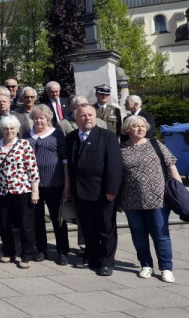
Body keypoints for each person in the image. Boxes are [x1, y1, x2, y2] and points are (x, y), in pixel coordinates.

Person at [119, 114, 181, 283]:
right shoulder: (121, 149)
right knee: (138, 235)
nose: (141, 129)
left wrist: (179, 188)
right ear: (127, 129)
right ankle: (146, 265)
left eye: (143, 126)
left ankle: (166, 268)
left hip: (158, 199)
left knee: (161, 235)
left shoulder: (155, 144)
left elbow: (171, 165)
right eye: (136, 126)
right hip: (132, 200)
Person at [66, 104, 123, 276]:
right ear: (76, 119)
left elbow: (115, 165)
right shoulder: (71, 137)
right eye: (83, 115)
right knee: (88, 228)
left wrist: (112, 190)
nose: (87, 118)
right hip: (80, 192)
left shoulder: (107, 136)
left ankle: (107, 261)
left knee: (106, 228)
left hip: (102, 192)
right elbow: (69, 165)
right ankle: (93, 257)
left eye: (90, 115)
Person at [0, 115, 40, 269]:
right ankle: (8, 251)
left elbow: (33, 170)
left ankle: (26, 254)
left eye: (12, 128)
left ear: (17, 129)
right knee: (4, 224)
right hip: (1, 191)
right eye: (5, 128)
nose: (8, 131)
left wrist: (35, 191)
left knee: (25, 225)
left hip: (22, 190)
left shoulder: (24, 145)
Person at [27, 105, 70, 265]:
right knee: (37, 219)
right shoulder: (26, 135)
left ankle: (62, 251)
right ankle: (41, 249)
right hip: (33, 185)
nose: (39, 120)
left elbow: (65, 160)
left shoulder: (57, 135)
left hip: (55, 183)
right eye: (36, 117)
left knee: (58, 218)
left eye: (42, 118)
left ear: (48, 119)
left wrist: (67, 184)